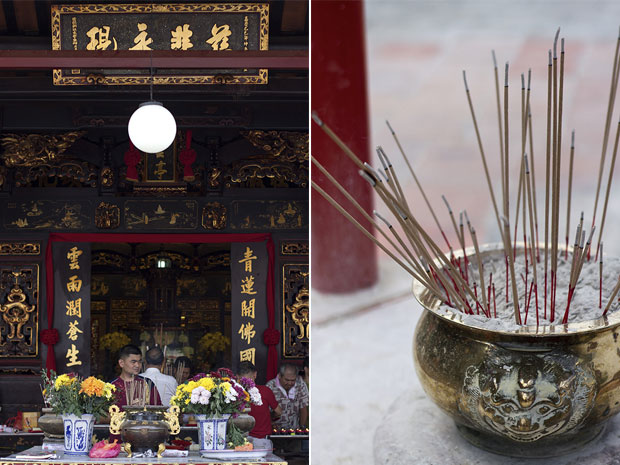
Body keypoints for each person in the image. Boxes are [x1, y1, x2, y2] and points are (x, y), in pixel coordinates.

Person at [238, 361, 281, 447]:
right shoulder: (265, 391)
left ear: (237, 377)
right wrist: (270, 417)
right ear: (255, 374)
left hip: (240, 441)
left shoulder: (234, 394)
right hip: (262, 441)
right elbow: (279, 412)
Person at [109, 344, 161, 409]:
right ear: (121, 363)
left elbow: (159, 410)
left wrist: (144, 407)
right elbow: (102, 416)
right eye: (133, 362)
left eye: (140, 362)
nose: (137, 365)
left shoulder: (147, 383)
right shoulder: (111, 386)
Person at [266, 363, 308, 430]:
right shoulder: (270, 387)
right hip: (276, 431)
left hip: (294, 430)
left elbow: (303, 408)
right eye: (287, 380)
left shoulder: (300, 384)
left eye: (293, 380)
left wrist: (302, 428)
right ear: (280, 376)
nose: (290, 383)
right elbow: (265, 412)